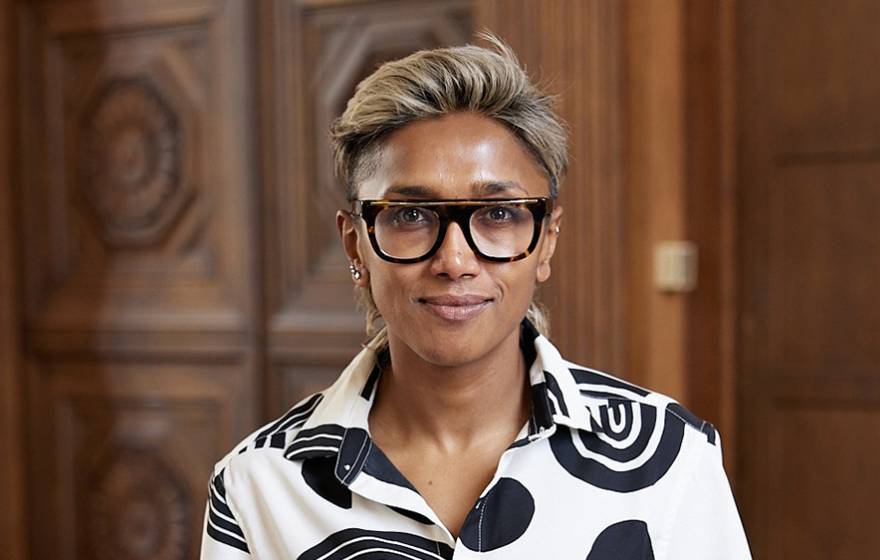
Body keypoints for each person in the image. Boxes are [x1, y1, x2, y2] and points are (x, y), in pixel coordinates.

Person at [200, 34, 751, 559]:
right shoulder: (258, 486)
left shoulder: (673, 461)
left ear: (546, 240)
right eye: (412, 215)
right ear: (356, 244)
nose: (455, 262)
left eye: (498, 215)